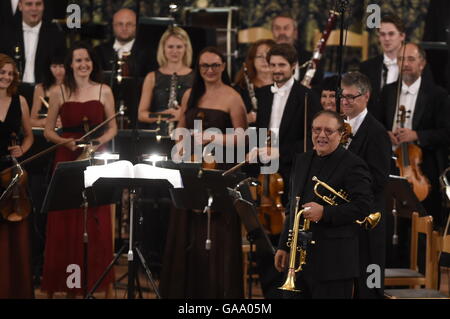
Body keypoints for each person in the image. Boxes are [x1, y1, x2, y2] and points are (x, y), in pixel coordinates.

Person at [159, 47, 248, 299]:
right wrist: (180, 139)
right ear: (198, 69)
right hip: (190, 169)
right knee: (186, 231)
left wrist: (212, 137)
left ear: (223, 66)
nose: (210, 70)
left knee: (215, 235)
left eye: (215, 65)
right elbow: (180, 128)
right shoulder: (190, 94)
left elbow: (243, 137)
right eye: (204, 66)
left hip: (217, 171)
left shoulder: (232, 96)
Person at [41, 42, 117, 297]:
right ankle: (67, 286)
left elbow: (113, 128)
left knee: (96, 219)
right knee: (65, 220)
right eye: (78, 61)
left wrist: (97, 143)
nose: (83, 65)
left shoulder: (104, 90)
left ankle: (96, 283)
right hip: (67, 158)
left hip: (95, 157)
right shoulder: (58, 92)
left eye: (87, 60)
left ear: (92, 63)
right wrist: (66, 141)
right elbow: (49, 131)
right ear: (70, 65)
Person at [274, 110, 374, 299]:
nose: (321, 135)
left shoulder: (353, 164)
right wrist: (283, 246)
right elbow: (292, 206)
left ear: (341, 134)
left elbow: (364, 206)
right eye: (316, 129)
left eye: (328, 131)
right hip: (300, 262)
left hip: (334, 264)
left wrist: (325, 213)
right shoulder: (302, 160)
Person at [252, 43, 320, 298]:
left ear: (293, 66)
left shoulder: (306, 96)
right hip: (265, 173)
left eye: (282, 65)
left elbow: (310, 141)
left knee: (288, 230)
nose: (277, 70)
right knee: (263, 232)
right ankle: (268, 290)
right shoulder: (262, 94)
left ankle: (289, 289)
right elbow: (259, 132)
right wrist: (255, 149)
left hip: (293, 172)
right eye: (273, 65)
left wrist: (280, 152)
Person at [380, 42, 450, 229]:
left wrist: (416, 135)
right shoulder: (388, 91)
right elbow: (376, 123)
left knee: (422, 224)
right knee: (390, 218)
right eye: (401, 59)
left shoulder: (438, 95)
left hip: (423, 167)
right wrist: (386, 134)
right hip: (391, 163)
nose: (406, 64)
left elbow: (446, 133)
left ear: (422, 63)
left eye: (411, 59)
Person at [340, 71, 391, 299]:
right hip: (344, 217)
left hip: (368, 220)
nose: (346, 101)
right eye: (343, 96)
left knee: (369, 285)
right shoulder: (337, 127)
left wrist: (347, 188)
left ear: (366, 97)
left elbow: (379, 179)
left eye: (352, 97)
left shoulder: (377, 132)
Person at [0, 53, 34, 298]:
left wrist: (22, 148)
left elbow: (29, 135)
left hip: (11, 172)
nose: (6, 77)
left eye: (10, 73)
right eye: (2, 72)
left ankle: (13, 288)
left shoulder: (19, 100)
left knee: (13, 230)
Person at [137, 26, 194, 135]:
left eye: (179, 47)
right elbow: (142, 114)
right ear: (163, 48)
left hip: (187, 136)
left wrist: (183, 115)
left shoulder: (196, 77)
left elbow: (203, 111)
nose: (174, 51)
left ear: (186, 48)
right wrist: (163, 116)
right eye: (170, 47)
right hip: (158, 135)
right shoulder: (151, 77)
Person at [0, 0, 66, 85]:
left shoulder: (56, 35)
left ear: (43, 6)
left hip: (45, 90)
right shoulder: (6, 34)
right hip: (11, 90)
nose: (34, 8)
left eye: (38, 4)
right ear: (20, 6)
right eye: (29, 4)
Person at [95, 8, 157, 79]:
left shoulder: (149, 53)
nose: (124, 28)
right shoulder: (99, 51)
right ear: (113, 26)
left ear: (136, 26)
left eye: (129, 24)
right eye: (120, 24)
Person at [271, 13, 323, 87]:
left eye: (286, 28)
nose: (281, 32)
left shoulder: (310, 59)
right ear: (272, 32)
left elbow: (318, 87)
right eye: (277, 28)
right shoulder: (263, 58)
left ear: (295, 33)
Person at [233, 39, 276, 124]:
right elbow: (227, 123)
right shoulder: (240, 89)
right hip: (251, 136)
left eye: (269, 55)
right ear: (252, 60)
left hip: (278, 136)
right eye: (260, 56)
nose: (265, 60)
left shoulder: (286, 88)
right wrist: (245, 119)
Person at [30, 55, 65, 127]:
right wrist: (44, 122)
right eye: (54, 66)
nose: (58, 71)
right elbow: (32, 121)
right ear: (48, 68)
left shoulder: (76, 88)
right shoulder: (41, 88)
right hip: (45, 133)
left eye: (62, 66)